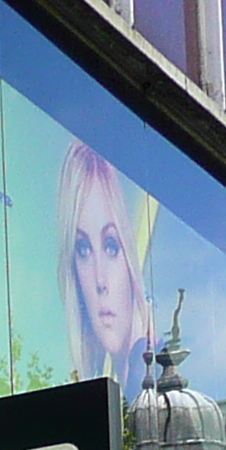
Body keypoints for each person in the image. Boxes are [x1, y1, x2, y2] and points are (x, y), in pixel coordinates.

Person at [57, 142, 157, 385]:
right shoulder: (121, 388)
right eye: (83, 249)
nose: (100, 280)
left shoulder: (148, 387)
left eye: (111, 246)